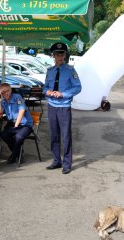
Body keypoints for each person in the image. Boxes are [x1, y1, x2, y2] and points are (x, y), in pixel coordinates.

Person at [43, 42, 82, 174]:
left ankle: (67, 164)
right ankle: (56, 161)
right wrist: (47, 92)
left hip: (64, 107)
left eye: (62, 54)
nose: (60, 57)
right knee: (54, 135)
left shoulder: (70, 71)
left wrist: (63, 94)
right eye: (57, 54)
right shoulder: (50, 71)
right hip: (52, 106)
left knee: (66, 136)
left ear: (65, 55)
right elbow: (45, 87)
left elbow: (78, 87)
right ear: (53, 56)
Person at [0, 83, 33, 164]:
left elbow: (22, 110)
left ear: (11, 90)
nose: (6, 93)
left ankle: (14, 155)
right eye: (3, 92)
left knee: (18, 137)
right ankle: (18, 153)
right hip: (12, 124)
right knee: (4, 135)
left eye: (8, 91)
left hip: (24, 124)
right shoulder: (3, 102)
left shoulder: (17, 97)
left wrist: (16, 125)